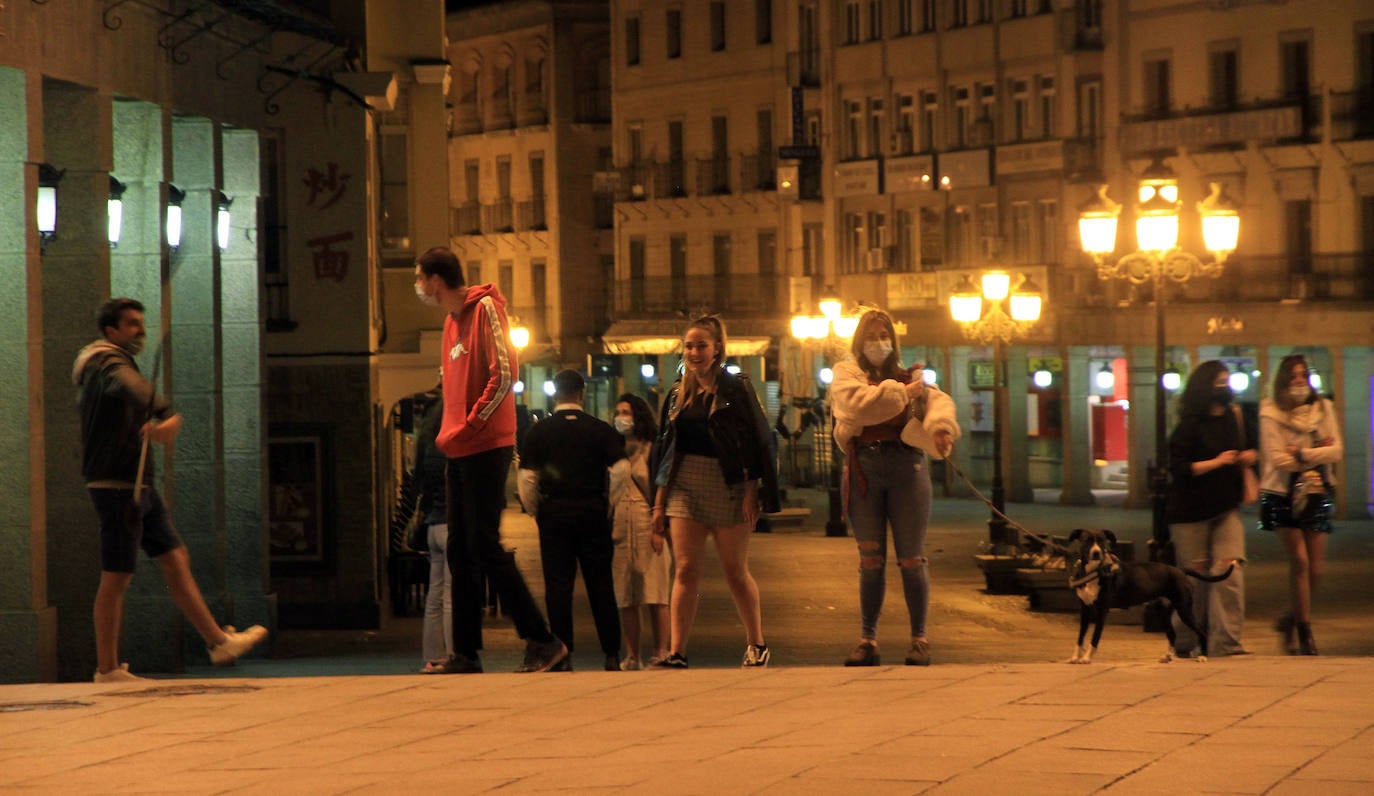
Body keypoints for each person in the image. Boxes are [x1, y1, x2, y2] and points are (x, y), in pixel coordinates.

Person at [74, 298, 267, 682]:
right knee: (117, 576)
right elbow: (131, 387)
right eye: (131, 324)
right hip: (117, 486)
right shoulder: (104, 361)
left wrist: (155, 423)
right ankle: (107, 668)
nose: (139, 330)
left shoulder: (115, 362)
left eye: (141, 322)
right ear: (111, 331)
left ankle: (216, 642)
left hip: (138, 480)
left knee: (175, 557)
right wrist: (162, 410)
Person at [414, 246, 567, 674]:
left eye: (419, 278)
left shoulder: (484, 309)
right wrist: (452, 434)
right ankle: (465, 653)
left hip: (486, 445)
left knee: (482, 544)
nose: (419, 287)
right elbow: (454, 388)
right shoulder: (449, 323)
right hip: (459, 447)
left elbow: (505, 374)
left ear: (436, 280)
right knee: (463, 548)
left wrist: (471, 424)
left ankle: (542, 639)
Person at [829, 309, 959, 667]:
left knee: (912, 559)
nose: (877, 342)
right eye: (870, 336)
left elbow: (937, 402)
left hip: (907, 465)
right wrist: (903, 394)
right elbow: (859, 406)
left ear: (893, 340)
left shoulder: (910, 377)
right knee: (870, 561)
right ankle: (867, 639)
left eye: (883, 335)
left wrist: (941, 427)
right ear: (859, 340)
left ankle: (920, 639)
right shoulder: (846, 375)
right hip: (864, 469)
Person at [649, 315, 780, 668]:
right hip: (685, 483)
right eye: (689, 346)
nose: (694, 352)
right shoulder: (677, 393)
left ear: (717, 348)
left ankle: (757, 643)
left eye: (701, 345)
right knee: (686, 568)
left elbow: (755, 440)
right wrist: (658, 505)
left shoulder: (736, 388)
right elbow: (666, 452)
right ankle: (677, 652)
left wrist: (752, 490)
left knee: (734, 570)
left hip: (729, 483)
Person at [517, 369, 629, 672]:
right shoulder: (600, 429)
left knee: (558, 586)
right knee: (601, 584)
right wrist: (607, 503)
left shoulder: (538, 433)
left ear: (555, 393)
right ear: (581, 394)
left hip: (555, 514)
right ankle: (610, 654)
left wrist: (536, 511)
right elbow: (621, 470)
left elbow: (527, 479)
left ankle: (563, 653)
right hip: (592, 511)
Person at [1165, 360, 1255, 658]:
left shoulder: (1236, 416)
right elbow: (1178, 467)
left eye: (1227, 381)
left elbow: (1252, 448)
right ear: (1204, 387)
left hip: (1226, 506)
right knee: (1194, 582)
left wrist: (1248, 457)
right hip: (1190, 512)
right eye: (1218, 382)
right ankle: (1185, 644)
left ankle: (1226, 644)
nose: (1224, 387)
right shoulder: (1189, 424)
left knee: (1229, 571)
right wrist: (1217, 461)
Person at [1259, 354, 1343, 655]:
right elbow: (1276, 458)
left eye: (1302, 375)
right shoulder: (1270, 412)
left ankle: (1290, 618)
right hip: (1280, 493)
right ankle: (1305, 633)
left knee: (1316, 569)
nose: (1298, 381)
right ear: (1283, 381)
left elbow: (1336, 451)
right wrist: (1316, 449)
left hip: (1317, 490)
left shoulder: (1324, 408)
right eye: (1292, 376)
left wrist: (1304, 454)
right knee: (1300, 562)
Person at [610, 393, 674, 670]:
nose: (621, 417)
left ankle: (661, 650)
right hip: (620, 527)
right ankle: (632, 654)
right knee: (626, 594)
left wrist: (660, 528)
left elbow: (662, 487)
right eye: (618, 412)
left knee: (655, 591)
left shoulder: (653, 448)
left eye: (627, 412)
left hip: (648, 523)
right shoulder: (613, 449)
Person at [413, 387, 453, 673]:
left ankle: (432, 656)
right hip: (452, 526)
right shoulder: (453, 448)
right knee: (452, 594)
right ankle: (453, 654)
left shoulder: (427, 448)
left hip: (433, 525)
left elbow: (421, 490)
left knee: (434, 594)